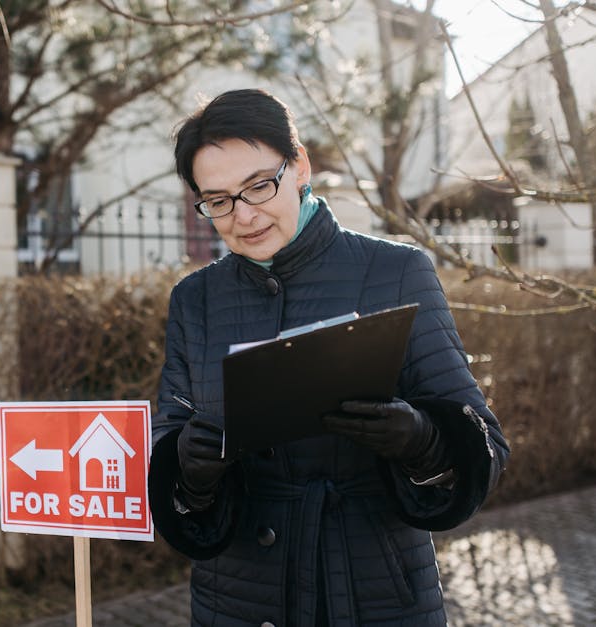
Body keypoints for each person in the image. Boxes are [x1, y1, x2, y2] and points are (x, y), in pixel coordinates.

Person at [148, 88, 510, 626]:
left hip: (372, 592)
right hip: (237, 600)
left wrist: (421, 439)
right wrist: (189, 470)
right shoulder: (196, 299)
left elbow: (484, 443)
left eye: (258, 187)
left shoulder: (395, 271)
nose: (242, 216)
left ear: (299, 167)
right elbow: (168, 433)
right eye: (218, 201)